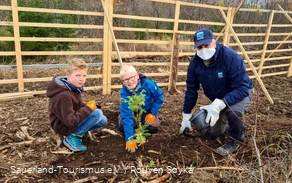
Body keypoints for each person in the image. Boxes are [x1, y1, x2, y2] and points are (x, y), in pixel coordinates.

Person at [179, 28, 254, 156]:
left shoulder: (230, 57)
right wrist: (186, 115)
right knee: (214, 133)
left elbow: (242, 88)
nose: (203, 50)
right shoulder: (195, 63)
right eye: (199, 47)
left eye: (206, 45)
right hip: (218, 98)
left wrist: (220, 104)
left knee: (233, 112)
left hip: (240, 92)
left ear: (214, 43)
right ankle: (224, 121)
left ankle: (234, 141)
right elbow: (192, 90)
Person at [46, 58, 107, 152]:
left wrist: (87, 106)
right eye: (78, 75)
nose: (81, 79)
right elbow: (70, 121)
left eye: (84, 75)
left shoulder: (72, 87)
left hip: (70, 121)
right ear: (67, 75)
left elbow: (75, 106)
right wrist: (87, 108)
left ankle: (79, 131)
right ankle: (72, 138)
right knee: (97, 114)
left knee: (102, 120)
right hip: (63, 126)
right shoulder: (63, 96)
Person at [118, 65, 164, 153]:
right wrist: (130, 138)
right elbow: (127, 115)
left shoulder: (148, 84)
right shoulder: (124, 94)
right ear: (122, 82)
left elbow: (159, 97)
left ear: (137, 76)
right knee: (123, 126)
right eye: (126, 80)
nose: (130, 81)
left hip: (147, 111)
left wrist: (152, 113)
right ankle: (130, 124)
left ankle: (141, 124)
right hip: (131, 113)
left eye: (132, 77)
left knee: (152, 128)